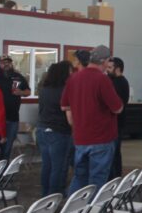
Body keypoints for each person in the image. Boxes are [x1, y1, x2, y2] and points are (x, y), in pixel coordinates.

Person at [61, 44, 124, 194]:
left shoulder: (74, 78)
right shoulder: (102, 80)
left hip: (81, 138)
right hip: (101, 138)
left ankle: (73, 212)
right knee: (97, 179)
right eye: (109, 61)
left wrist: (75, 123)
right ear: (105, 61)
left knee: (79, 177)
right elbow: (118, 108)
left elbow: (64, 106)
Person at [36, 61, 73, 196]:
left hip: (42, 130)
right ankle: (54, 196)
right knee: (58, 168)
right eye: (70, 71)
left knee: (47, 166)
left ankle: (45, 195)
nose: (71, 74)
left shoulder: (44, 90)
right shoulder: (65, 91)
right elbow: (69, 114)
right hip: (59, 132)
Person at [0, 54, 31, 160]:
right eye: (3, 62)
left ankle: (3, 173)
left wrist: (21, 92)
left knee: (7, 148)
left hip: (13, 117)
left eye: (8, 62)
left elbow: (28, 91)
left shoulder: (18, 76)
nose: (6, 64)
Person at [107, 57, 130, 180]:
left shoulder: (119, 83)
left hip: (116, 124)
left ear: (118, 69)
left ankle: (113, 179)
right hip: (116, 123)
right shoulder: (114, 81)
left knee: (113, 153)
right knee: (115, 153)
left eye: (110, 68)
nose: (107, 70)